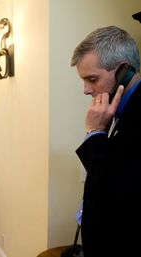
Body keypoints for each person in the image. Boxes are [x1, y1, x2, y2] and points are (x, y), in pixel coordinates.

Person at [71, 25, 141, 257]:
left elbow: (118, 186)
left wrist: (94, 132)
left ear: (124, 71)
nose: (85, 90)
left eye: (92, 79)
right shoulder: (119, 109)